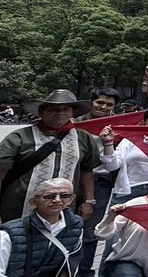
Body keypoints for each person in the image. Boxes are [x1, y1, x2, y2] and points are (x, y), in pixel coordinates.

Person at [0, 90, 100, 224]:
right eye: (53, 109)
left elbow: (86, 171)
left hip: (63, 211)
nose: (60, 113)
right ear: (41, 112)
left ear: (73, 112)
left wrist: (89, 201)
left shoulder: (83, 138)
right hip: (18, 209)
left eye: (66, 109)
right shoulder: (20, 137)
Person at [72, 88, 119, 277]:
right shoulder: (74, 123)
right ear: (91, 102)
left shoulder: (117, 125)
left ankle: (84, 274)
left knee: (90, 231)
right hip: (70, 180)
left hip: (100, 181)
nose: (104, 107)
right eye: (100, 102)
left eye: (109, 104)